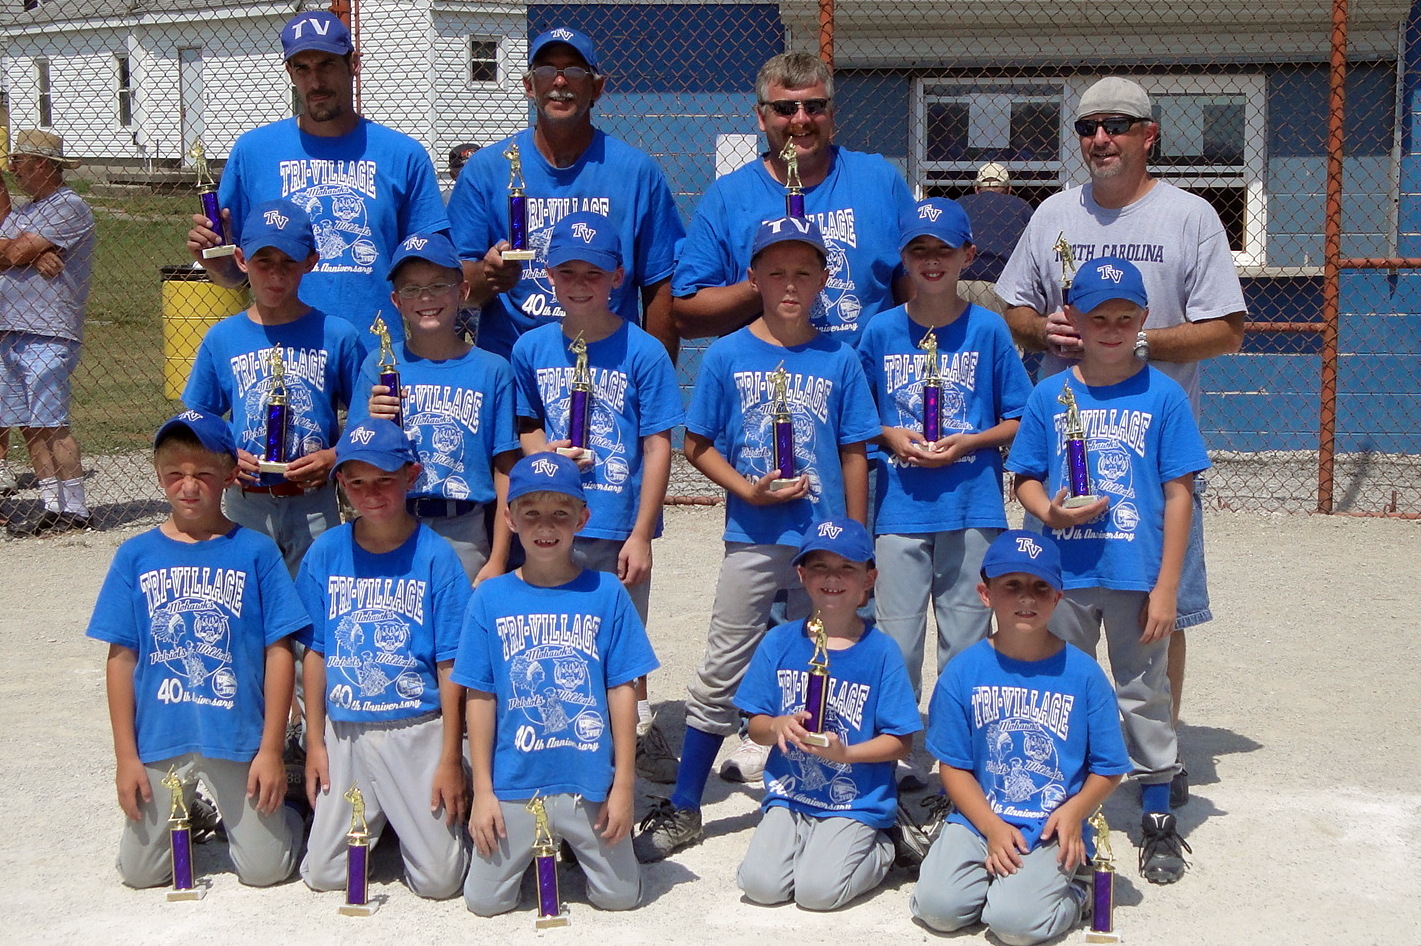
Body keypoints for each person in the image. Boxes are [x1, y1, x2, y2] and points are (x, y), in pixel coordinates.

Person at [996, 77, 1247, 805]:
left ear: (1148, 135)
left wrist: (1137, 342)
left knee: (1159, 612)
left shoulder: (1189, 216)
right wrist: (1042, 328)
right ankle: (1068, 753)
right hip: (1067, 453)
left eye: (1116, 125)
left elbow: (1227, 330)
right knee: (1059, 607)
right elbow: (1014, 307)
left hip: (1148, 451)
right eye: (1087, 127)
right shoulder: (1053, 214)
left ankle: (1157, 761)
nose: (1100, 138)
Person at [633, 218, 879, 863]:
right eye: (776, 272)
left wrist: (856, 541)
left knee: (829, 661)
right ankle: (686, 803)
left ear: (824, 280)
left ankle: (835, 794)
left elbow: (854, 451)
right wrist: (746, 489)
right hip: (754, 533)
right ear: (753, 279)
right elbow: (697, 444)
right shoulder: (727, 355)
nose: (789, 285)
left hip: (826, 540)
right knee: (723, 664)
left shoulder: (839, 357)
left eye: (803, 272)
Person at [1006, 257, 1207, 885]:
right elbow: (1025, 477)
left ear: (1144, 318)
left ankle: (1156, 808)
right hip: (1062, 573)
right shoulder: (1050, 394)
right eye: (1099, 319)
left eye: (1125, 318)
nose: (1113, 330)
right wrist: (1049, 513)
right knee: (1061, 684)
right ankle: (1063, 800)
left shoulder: (1163, 395)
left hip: (1133, 572)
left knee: (1143, 690)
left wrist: (1167, 587)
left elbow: (1180, 495)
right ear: (1072, 319)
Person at [86, 409, 307, 889]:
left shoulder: (255, 551)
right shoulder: (135, 555)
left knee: (265, 871)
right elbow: (121, 661)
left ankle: (293, 810)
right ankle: (192, 811)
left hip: (237, 735)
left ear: (229, 475)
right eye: (175, 475)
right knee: (140, 874)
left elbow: (279, 652)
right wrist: (126, 757)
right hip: (162, 736)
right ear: (158, 476)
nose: (189, 487)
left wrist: (271, 749)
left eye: (204, 474)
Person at [508, 212, 684, 782]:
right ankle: (564, 728)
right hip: (551, 519)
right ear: (548, 276)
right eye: (567, 272)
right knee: (557, 629)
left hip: (615, 520)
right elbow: (527, 424)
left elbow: (657, 444)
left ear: (617, 277)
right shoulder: (531, 348)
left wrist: (642, 532)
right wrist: (546, 454)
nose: (580, 284)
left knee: (622, 630)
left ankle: (636, 728)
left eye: (593, 273)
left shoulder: (643, 351)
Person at [454, 452, 659, 917]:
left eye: (561, 514)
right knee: (485, 902)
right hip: (515, 780)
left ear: (582, 518)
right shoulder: (490, 597)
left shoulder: (607, 593)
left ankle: (572, 844)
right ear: (509, 519)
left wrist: (623, 786)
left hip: (588, 781)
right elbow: (480, 696)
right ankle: (537, 844)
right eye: (530, 513)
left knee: (619, 898)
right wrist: (483, 792)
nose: (545, 526)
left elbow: (622, 690)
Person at [910, 530, 1131, 944]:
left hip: (1049, 825)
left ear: (1058, 598)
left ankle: (1078, 893)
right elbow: (953, 766)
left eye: (1040, 587)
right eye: (1011, 585)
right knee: (938, 909)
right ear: (985, 594)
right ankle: (997, 881)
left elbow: (1109, 767)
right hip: (979, 818)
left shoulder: (1084, 674)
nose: (1027, 598)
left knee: (1014, 924)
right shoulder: (964, 671)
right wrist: (991, 827)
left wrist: (1076, 811)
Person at [186, 10, 448, 350]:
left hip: (375, 352)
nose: (315, 82)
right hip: (283, 352)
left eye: (326, 64)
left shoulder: (402, 155)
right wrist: (218, 264)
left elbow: (432, 269)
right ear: (290, 72)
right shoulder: (254, 152)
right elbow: (235, 274)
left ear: (353, 64)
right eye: (302, 68)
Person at [856, 199, 1032, 701]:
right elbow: (856, 416)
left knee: (966, 640)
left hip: (971, 505)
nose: (932, 260)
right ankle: (899, 738)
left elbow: (1020, 418)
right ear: (903, 258)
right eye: (919, 250)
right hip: (899, 508)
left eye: (945, 249)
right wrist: (889, 435)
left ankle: (956, 737)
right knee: (897, 642)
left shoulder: (988, 329)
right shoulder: (882, 330)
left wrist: (971, 442)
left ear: (967, 255)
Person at [295, 418, 471, 900]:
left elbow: (449, 665)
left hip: (416, 727)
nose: (370, 493)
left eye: (384, 480)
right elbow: (315, 653)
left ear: (411, 476)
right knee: (324, 875)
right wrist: (315, 742)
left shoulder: (435, 556)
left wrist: (450, 756)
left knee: (439, 883)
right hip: (346, 729)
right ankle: (376, 815)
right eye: (356, 482)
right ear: (340, 483)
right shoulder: (326, 552)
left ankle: (421, 812)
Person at [447, 27, 684, 362]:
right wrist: (491, 275)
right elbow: (456, 281)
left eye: (574, 71)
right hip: (514, 368)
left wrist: (654, 378)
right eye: (546, 71)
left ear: (597, 87)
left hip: (609, 369)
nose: (559, 82)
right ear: (529, 85)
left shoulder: (636, 173)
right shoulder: (487, 169)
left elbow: (660, 285)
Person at [733, 517, 921, 910]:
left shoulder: (882, 651)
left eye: (847, 568)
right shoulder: (779, 641)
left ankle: (886, 843)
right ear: (802, 575)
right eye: (820, 566)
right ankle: (813, 847)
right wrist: (778, 725)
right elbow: (756, 726)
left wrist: (846, 753)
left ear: (869, 579)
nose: (832, 578)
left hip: (855, 799)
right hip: (790, 793)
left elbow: (900, 741)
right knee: (761, 887)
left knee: (817, 893)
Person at [672, 51, 914, 347]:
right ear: (762, 117)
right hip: (765, 372)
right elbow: (686, 317)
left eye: (814, 106)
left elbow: (915, 289)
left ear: (832, 114)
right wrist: (771, 282)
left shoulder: (878, 181)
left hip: (861, 372)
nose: (801, 119)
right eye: (785, 108)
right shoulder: (728, 197)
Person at [183, 199, 363, 574]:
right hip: (246, 500)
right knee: (248, 595)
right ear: (240, 259)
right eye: (263, 262)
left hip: (313, 501)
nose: (275, 275)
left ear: (310, 262)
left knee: (315, 595)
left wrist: (335, 455)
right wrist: (226, 455)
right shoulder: (223, 338)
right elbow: (197, 421)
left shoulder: (337, 335)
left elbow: (367, 419)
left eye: (288, 262)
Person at [356, 231, 520, 583]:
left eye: (438, 285)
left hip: (464, 527)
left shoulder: (493, 370)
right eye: (411, 289)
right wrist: (371, 425)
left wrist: (498, 559)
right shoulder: (379, 366)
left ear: (462, 291)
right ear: (396, 301)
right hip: (392, 522)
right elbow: (353, 461)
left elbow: (505, 468)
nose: (425, 297)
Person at [0, 129, 96, 536]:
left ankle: (77, 509)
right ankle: (52, 506)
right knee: (31, 425)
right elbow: (13, 250)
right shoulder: (23, 212)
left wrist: (21, 252)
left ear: (42, 164)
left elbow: (13, 251)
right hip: (11, 332)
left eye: (18, 161)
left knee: (52, 422)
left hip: (48, 332)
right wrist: (30, 254)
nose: (12, 169)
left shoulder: (69, 205)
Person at [955, 162, 1033, 317]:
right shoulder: (1021, 207)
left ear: (976, 188)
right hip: (1000, 283)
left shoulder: (958, 205)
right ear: (1008, 189)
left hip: (958, 281)